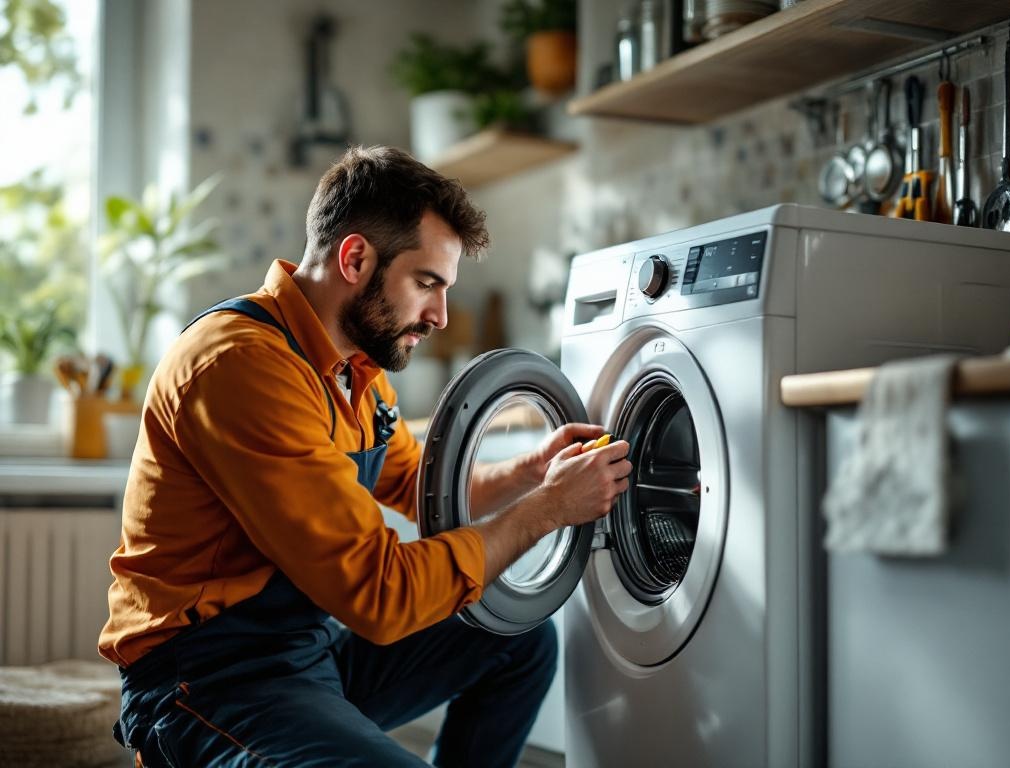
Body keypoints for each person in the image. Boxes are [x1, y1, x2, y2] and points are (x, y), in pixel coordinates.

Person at [99, 145, 632, 767]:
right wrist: (546, 510)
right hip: (204, 682)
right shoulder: (241, 366)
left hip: (306, 654)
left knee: (520, 643)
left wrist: (531, 472)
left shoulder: (358, 368)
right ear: (355, 258)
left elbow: (423, 488)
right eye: (426, 283)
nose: (438, 315)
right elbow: (380, 597)